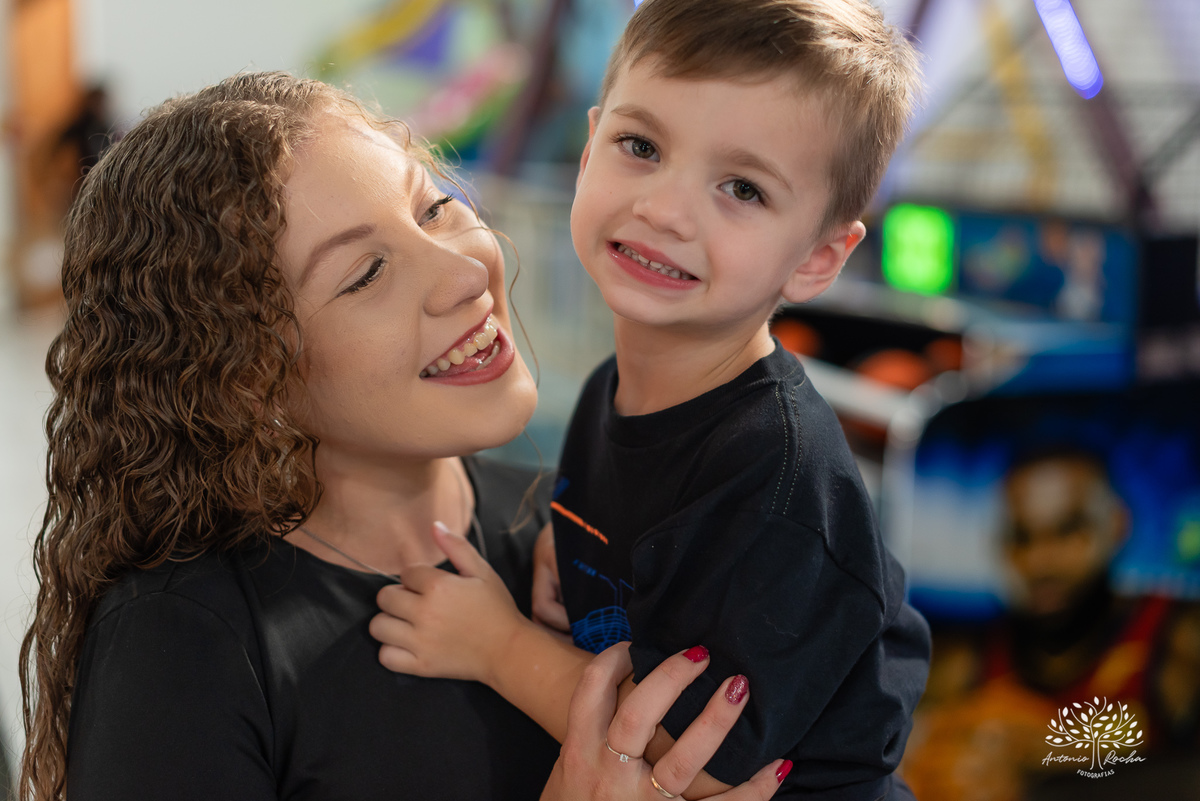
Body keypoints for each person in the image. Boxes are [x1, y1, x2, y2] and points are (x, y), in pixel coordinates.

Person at [17, 71, 787, 801]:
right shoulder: (182, 645)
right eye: (364, 275)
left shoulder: (566, 528)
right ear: (245, 376)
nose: (462, 272)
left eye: (434, 209)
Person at [370, 1, 931, 797]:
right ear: (590, 145)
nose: (664, 209)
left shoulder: (773, 476)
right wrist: (582, 560)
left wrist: (496, 646)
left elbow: (684, 755)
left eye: (741, 187)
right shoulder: (619, 387)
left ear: (817, 257)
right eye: (641, 147)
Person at [901, 448, 1200, 801]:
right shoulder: (962, 667)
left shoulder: (1178, 639)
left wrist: (1041, 763)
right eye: (1022, 538)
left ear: (1117, 525)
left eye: (1068, 531)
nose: (1041, 561)